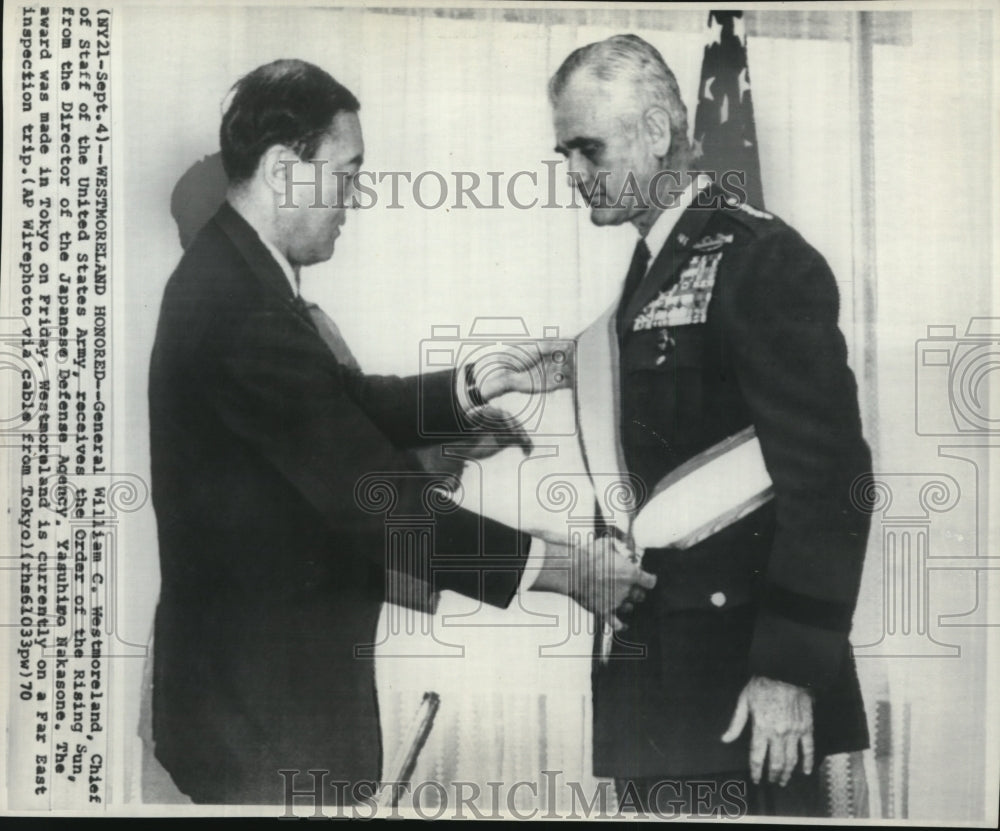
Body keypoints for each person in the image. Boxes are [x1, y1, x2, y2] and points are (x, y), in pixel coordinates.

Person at [147, 58, 654, 805]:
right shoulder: (238, 307)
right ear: (286, 168)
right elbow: (380, 502)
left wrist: (482, 379)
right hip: (259, 724)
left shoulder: (236, 275)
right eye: (348, 173)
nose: (354, 199)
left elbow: (342, 402)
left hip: (252, 708)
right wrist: (566, 569)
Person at [547, 35, 873, 817]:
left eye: (587, 149)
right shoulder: (646, 274)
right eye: (564, 153)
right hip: (655, 687)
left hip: (744, 694)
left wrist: (790, 671)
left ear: (656, 134)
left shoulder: (761, 260)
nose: (573, 174)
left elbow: (829, 483)